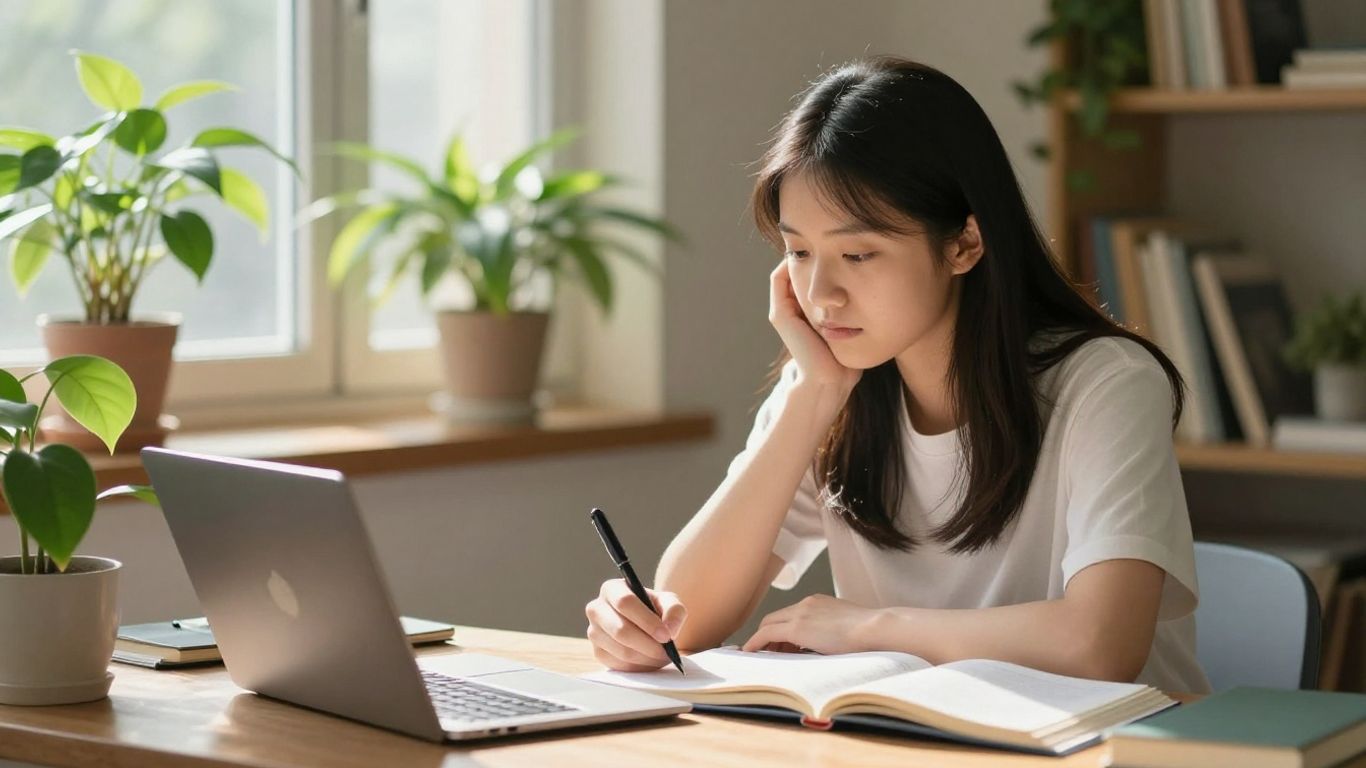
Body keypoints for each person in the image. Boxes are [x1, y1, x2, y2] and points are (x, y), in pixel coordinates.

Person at [584, 56, 1210, 693]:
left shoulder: (1105, 383)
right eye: (799, 252)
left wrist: (867, 628)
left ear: (965, 243)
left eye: (857, 254)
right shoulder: (827, 382)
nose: (822, 295)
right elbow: (685, 621)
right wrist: (814, 395)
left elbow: (1102, 644)